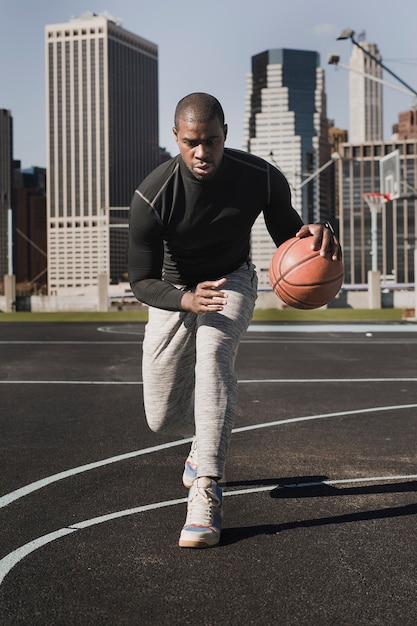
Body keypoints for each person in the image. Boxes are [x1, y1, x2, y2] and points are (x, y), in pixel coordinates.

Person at [128, 92, 341, 549]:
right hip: (173, 291)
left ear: (226, 135)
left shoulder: (259, 177)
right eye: (191, 143)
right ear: (176, 139)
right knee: (160, 419)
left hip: (232, 279)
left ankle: (206, 490)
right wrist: (185, 299)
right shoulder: (152, 195)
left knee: (214, 357)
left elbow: (290, 238)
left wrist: (315, 237)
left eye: (211, 141)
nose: (201, 153)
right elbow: (140, 280)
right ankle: (200, 440)